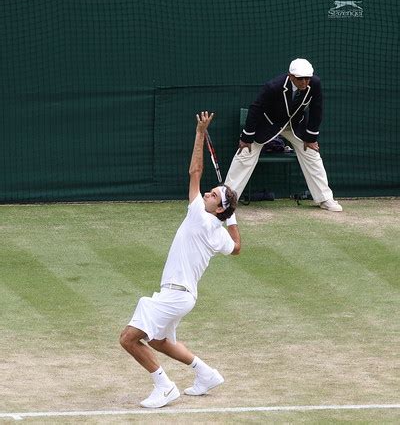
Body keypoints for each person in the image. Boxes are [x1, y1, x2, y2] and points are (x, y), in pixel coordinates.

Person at [120, 111, 241, 409]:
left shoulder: (200, 216)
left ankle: (164, 386)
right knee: (160, 341)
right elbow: (237, 247)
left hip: (176, 295)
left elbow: (194, 173)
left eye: (212, 195)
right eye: (210, 193)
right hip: (181, 295)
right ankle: (206, 374)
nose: (207, 194)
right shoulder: (218, 231)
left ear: (215, 208)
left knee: (128, 339)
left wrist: (200, 133)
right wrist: (232, 219)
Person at [225, 58, 342, 211]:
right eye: (300, 78)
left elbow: (316, 110)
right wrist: (246, 138)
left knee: (312, 154)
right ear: (290, 76)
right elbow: (255, 109)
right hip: (268, 125)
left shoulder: (315, 84)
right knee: (245, 153)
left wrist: (311, 138)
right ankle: (226, 200)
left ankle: (325, 199)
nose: (305, 82)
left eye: (308, 78)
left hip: (296, 126)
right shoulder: (273, 86)